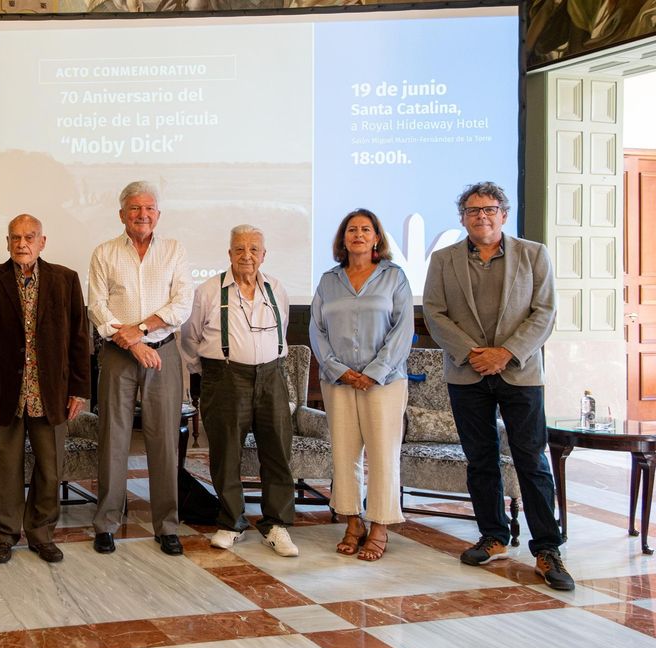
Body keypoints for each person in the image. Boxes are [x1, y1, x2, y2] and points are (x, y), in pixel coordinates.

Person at [422, 181, 573, 591]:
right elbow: (434, 313)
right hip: (466, 372)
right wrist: (474, 353)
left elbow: (544, 313)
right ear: (463, 218)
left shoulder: (533, 254)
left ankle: (547, 548)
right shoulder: (443, 259)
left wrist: (504, 353)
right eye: (472, 210)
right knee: (480, 459)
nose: (481, 216)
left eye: (489, 209)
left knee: (531, 460)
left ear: (503, 214)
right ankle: (494, 536)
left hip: (520, 372)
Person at [0, 214, 92, 564]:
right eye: (16, 238)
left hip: (51, 392)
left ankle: (41, 532)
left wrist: (79, 390)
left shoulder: (65, 280)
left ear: (42, 241)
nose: (22, 244)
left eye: (30, 237)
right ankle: (4, 535)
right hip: (5, 393)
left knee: (50, 467)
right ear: (7, 242)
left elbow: (79, 339)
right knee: (5, 467)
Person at [87, 181, 194, 556]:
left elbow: (182, 305)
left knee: (164, 441)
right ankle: (106, 524)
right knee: (113, 440)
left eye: (148, 208)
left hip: (162, 353)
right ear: (121, 214)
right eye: (134, 208)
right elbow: (98, 308)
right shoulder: (104, 253)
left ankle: (166, 526)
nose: (142, 215)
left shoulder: (175, 251)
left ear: (158, 215)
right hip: (118, 356)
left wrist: (143, 330)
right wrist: (132, 343)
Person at [182, 225, 299, 556]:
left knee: (277, 451)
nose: (246, 255)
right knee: (226, 453)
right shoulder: (207, 291)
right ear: (229, 253)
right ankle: (230, 522)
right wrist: (205, 374)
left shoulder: (276, 288)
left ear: (264, 255)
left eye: (253, 249)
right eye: (239, 249)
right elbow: (190, 339)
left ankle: (276, 524)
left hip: (272, 376)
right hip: (225, 378)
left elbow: (284, 326)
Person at [310, 209, 413, 562]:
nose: (357, 234)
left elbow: (403, 329)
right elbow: (316, 330)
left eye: (365, 229)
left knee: (382, 455)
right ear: (342, 239)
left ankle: (380, 525)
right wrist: (339, 369)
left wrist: (375, 371)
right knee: (344, 453)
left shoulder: (394, 277)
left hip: (384, 383)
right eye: (351, 229)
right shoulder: (328, 280)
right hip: (338, 382)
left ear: (376, 238)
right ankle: (353, 522)